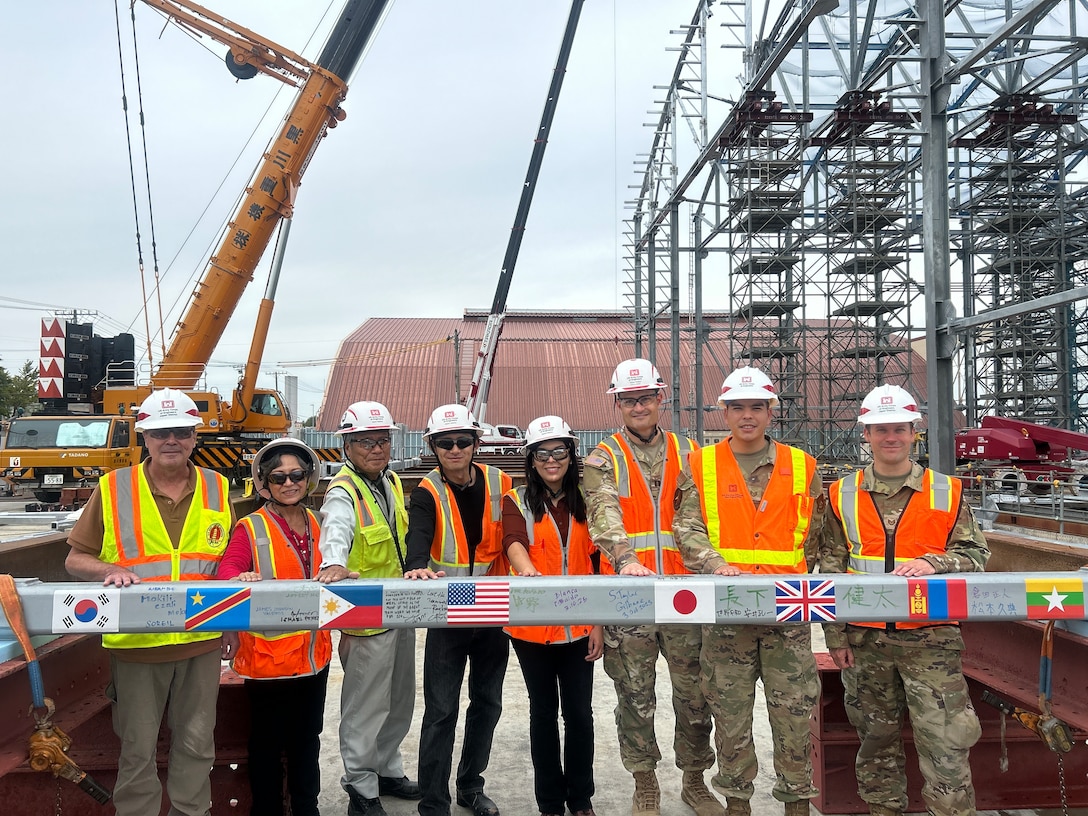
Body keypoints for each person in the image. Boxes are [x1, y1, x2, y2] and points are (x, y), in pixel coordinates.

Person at [819, 384, 990, 816]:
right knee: (876, 746)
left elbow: (976, 555)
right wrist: (835, 636)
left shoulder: (947, 491)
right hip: (865, 642)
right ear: (867, 434)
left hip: (931, 642)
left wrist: (935, 562)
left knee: (947, 745)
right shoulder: (841, 494)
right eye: (880, 429)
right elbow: (832, 569)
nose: (890, 437)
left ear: (915, 431)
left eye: (899, 428)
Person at [64, 388, 233, 816]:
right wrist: (107, 570)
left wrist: (233, 621)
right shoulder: (114, 487)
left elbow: (226, 563)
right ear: (145, 437)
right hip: (137, 645)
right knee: (137, 751)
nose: (171, 440)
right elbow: (74, 557)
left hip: (202, 639)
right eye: (160, 432)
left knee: (198, 745)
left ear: (195, 436)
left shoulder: (218, 487)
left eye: (180, 431)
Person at [581, 359, 726, 816]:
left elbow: (701, 516)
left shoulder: (692, 453)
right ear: (618, 403)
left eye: (646, 397)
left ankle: (694, 780)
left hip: (685, 596)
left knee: (695, 696)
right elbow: (603, 513)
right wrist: (626, 560)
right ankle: (644, 781)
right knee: (635, 695)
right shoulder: (603, 457)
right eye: (629, 399)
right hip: (631, 597)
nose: (639, 406)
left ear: (661, 398)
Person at [681, 366, 823, 816]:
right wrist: (716, 565)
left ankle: (796, 806)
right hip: (728, 617)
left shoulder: (803, 466)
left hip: (788, 618)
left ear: (770, 412)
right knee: (731, 718)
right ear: (724, 411)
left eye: (756, 407)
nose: (747, 415)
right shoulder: (701, 464)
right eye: (738, 407)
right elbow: (686, 527)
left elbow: (817, 537)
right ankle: (737, 806)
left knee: (794, 717)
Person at [404, 404, 513, 816]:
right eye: (445, 442)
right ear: (433, 446)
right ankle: (434, 803)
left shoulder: (500, 481)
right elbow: (420, 535)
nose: (454, 449)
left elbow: (518, 532)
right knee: (441, 711)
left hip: (490, 611)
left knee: (487, 703)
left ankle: (471, 786)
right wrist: (416, 565)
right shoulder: (426, 492)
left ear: (475, 444)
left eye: (462, 441)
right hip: (448, 614)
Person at [217, 439, 331, 816]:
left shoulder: (317, 523)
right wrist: (241, 577)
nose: (289, 483)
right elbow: (229, 569)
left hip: (313, 657)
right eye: (279, 477)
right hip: (267, 660)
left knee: (307, 739)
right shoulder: (251, 527)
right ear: (265, 483)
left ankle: (305, 807)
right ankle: (267, 810)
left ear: (308, 478)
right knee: (266, 742)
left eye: (297, 475)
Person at [317, 401, 420, 816]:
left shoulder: (391, 481)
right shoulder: (344, 489)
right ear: (347, 445)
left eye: (383, 440)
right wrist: (333, 562)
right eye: (365, 441)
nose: (376, 448)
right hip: (366, 618)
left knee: (399, 699)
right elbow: (336, 525)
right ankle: (361, 783)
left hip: (400, 607)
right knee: (366, 704)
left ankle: (386, 768)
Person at [502, 416, 602, 816]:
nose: (551, 460)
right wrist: (526, 570)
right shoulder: (517, 500)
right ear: (531, 459)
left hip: (579, 627)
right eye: (542, 453)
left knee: (579, 714)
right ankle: (550, 803)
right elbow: (512, 540)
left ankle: (580, 799)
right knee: (542, 713)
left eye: (559, 451)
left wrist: (597, 621)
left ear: (570, 454)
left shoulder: (588, 500)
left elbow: (598, 563)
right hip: (531, 628)